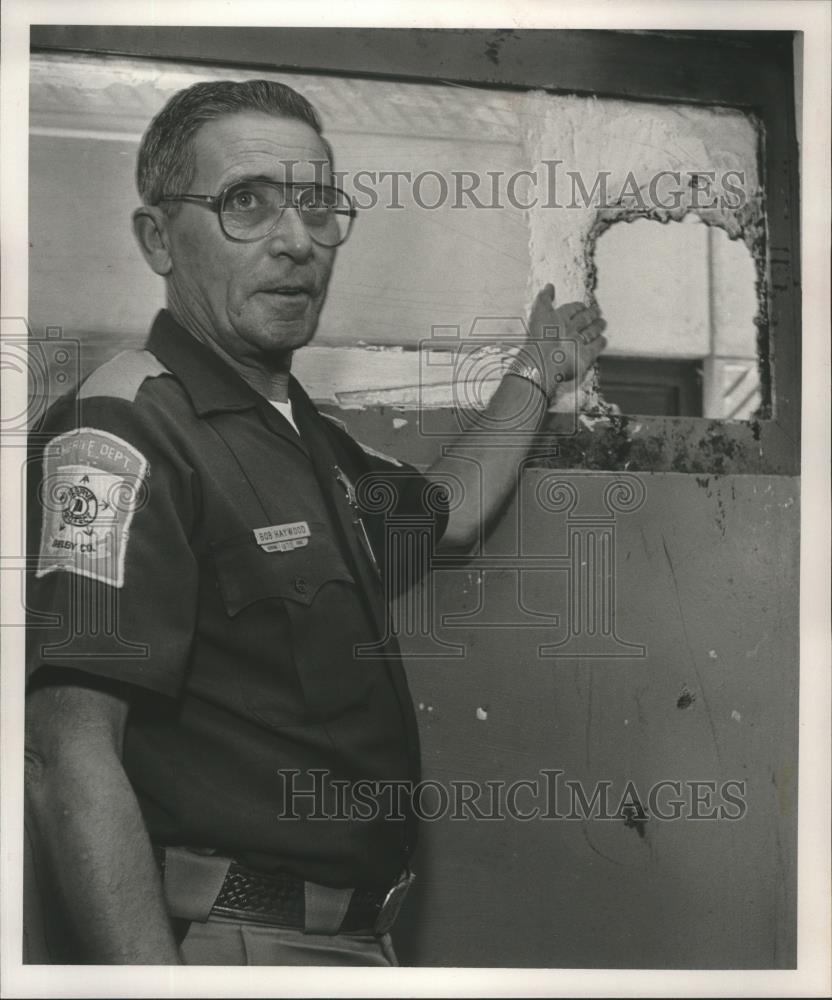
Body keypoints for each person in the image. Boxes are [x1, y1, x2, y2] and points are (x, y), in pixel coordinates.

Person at [24, 79, 607, 966]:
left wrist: (535, 370)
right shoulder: (122, 429)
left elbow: (445, 511)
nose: (295, 241)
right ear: (157, 238)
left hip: (353, 942)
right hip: (233, 947)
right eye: (246, 204)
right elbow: (69, 755)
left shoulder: (304, 437)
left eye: (318, 205)